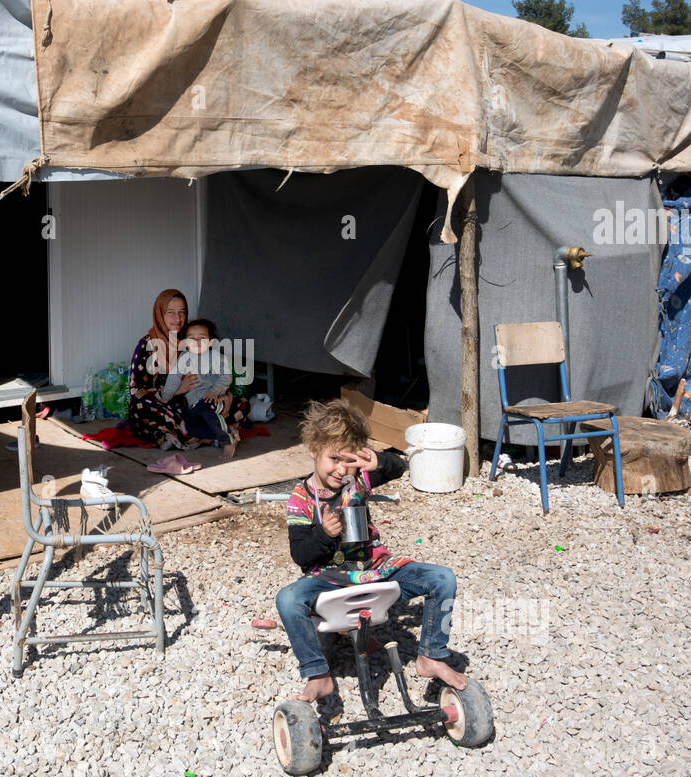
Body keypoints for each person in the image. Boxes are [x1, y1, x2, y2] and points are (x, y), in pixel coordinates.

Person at [275, 399, 468, 702]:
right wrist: (324, 534)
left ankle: (431, 655)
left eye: (349, 460)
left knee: (442, 578)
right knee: (288, 599)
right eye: (334, 459)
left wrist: (379, 460)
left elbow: (401, 466)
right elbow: (301, 556)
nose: (341, 469)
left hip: (374, 569)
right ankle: (317, 673)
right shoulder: (300, 499)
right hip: (329, 580)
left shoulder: (359, 479)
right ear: (314, 451)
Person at [127, 289, 248, 450]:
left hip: (200, 401)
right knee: (142, 407)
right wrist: (178, 390)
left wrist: (225, 395)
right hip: (167, 405)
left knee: (241, 404)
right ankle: (217, 433)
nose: (177, 319)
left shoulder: (192, 337)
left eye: (182, 312)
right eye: (170, 312)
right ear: (160, 314)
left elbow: (219, 374)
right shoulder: (147, 345)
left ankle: (200, 432)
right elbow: (135, 390)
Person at [160, 319, 240, 458]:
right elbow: (174, 377)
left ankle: (227, 441)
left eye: (202, 338)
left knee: (208, 414)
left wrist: (215, 390)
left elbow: (226, 376)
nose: (197, 342)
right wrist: (166, 397)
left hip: (212, 398)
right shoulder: (184, 358)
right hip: (192, 404)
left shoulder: (216, 357)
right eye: (192, 338)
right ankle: (227, 433)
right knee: (191, 428)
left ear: (210, 342)